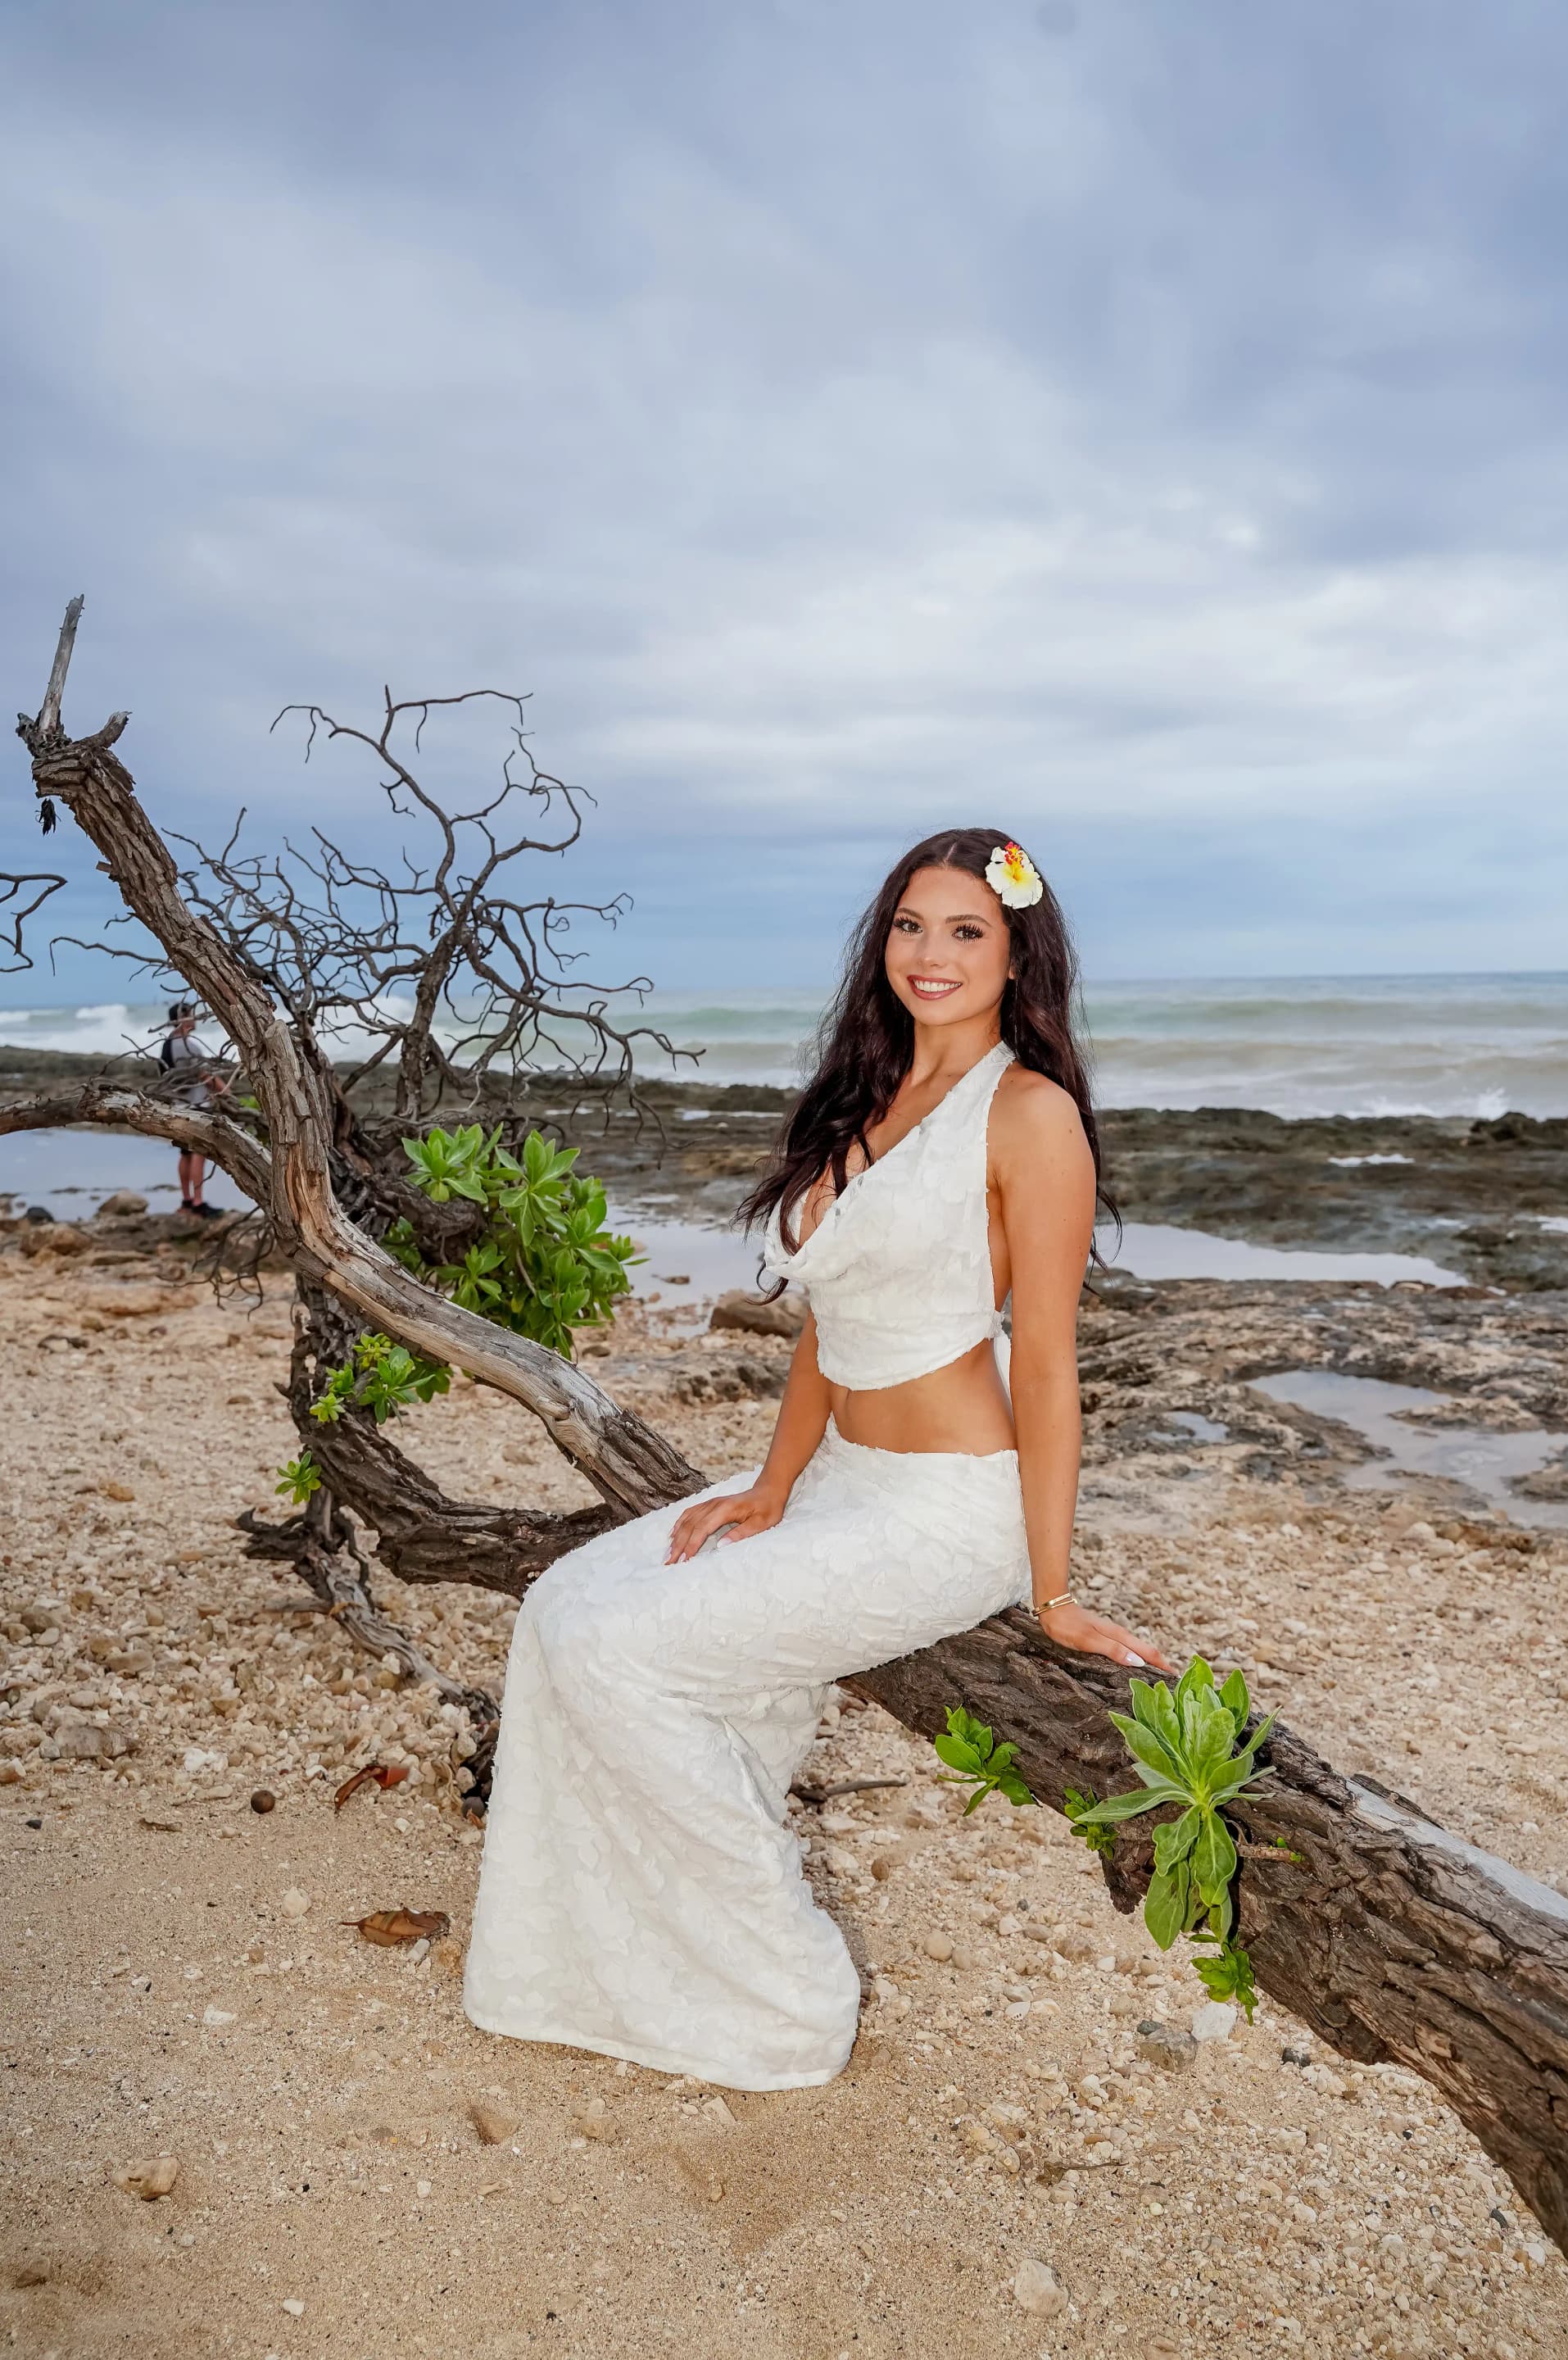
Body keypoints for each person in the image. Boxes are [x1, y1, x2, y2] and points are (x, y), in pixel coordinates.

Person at [465, 828, 1173, 2090]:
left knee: (610, 1651)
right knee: (560, 1606)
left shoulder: (1031, 1114)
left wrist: (1054, 1595)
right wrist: (773, 1484)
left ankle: (781, 1991)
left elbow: (1050, 1363)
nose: (932, 953)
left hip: (949, 1512)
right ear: (882, 942)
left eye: (967, 930)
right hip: (841, 1479)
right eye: (911, 924)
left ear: (1018, 954)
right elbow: (823, 1328)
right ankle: (593, 1960)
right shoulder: (871, 1089)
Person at [157, 1001, 226, 1218]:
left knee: (185, 1154)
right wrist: (229, 1094)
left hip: (178, 1107)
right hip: (197, 1107)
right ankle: (198, 1203)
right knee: (198, 1154)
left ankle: (187, 1201)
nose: (195, 1018)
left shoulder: (167, 1045)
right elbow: (207, 1077)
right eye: (192, 1014)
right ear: (183, 1017)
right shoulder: (188, 1046)